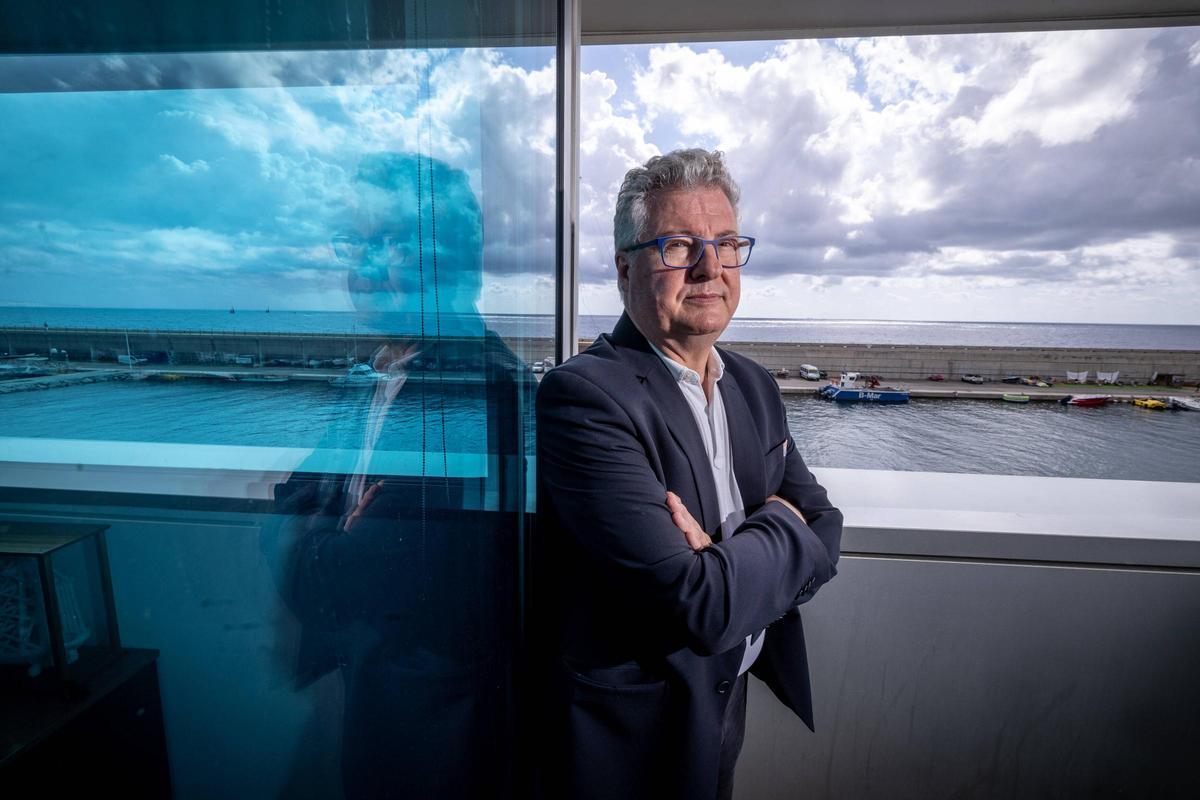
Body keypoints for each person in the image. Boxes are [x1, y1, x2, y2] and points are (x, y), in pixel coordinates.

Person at [534, 148, 843, 800]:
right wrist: (782, 527)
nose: (710, 267)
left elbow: (828, 525)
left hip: (722, 717)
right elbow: (696, 604)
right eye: (679, 246)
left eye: (727, 244)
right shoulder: (585, 397)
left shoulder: (753, 385)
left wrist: (737, 557)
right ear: (625, 268)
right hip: (629, 740)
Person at [263, 152, 533, 798]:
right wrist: (334, 532)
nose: (363, 265)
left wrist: (322, 538)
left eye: (391, 243)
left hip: (437, 737)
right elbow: (285, 507)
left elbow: (350, 580)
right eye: (355, 242)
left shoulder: (475, 389)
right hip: (375, 699)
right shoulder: (379, 371)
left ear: (452, 257)